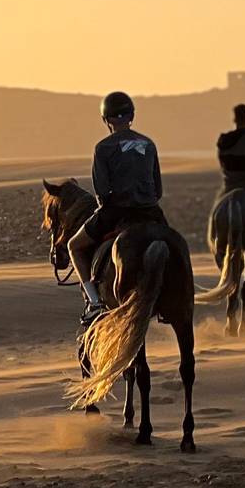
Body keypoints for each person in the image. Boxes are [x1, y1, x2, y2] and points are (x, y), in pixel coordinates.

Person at [68, 91, 167, 326]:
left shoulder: (103, 148)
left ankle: (94, 303)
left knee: (74, 246)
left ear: (106, 120)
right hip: (151, 211)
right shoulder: (148, 143)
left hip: (117, 211)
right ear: (132, 115)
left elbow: (102, 191)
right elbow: (158, 189)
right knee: (171, 245)